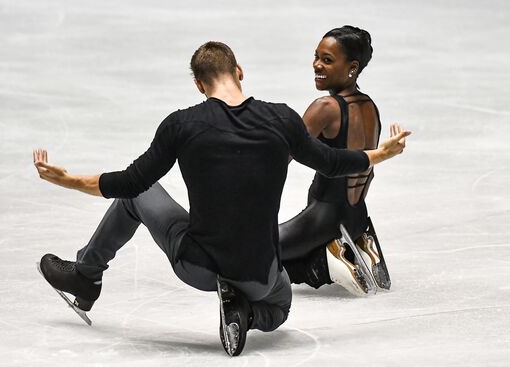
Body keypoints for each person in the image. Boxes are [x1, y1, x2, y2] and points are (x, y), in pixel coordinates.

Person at [33, 41, 409, 356]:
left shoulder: (181, 125)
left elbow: (128, 182)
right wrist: (380, 154)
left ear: (199, 85)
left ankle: (86, 277)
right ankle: (245, 312)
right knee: (279, 307)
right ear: (240, 71)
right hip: (259, 273)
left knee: (141, 192)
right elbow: (331, 162)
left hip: (197, 266)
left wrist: (68, 180)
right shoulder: (282, 120)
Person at [279, 26, 391, 296]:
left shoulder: (325, 108)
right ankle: (361, 241)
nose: (317, 64)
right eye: (316, 57)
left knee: (250, 253)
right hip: (356, 215)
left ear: (352, 67)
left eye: (327, 60)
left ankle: (326, 262)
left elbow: (281, 158)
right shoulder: (369, 106)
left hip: (324, 219)